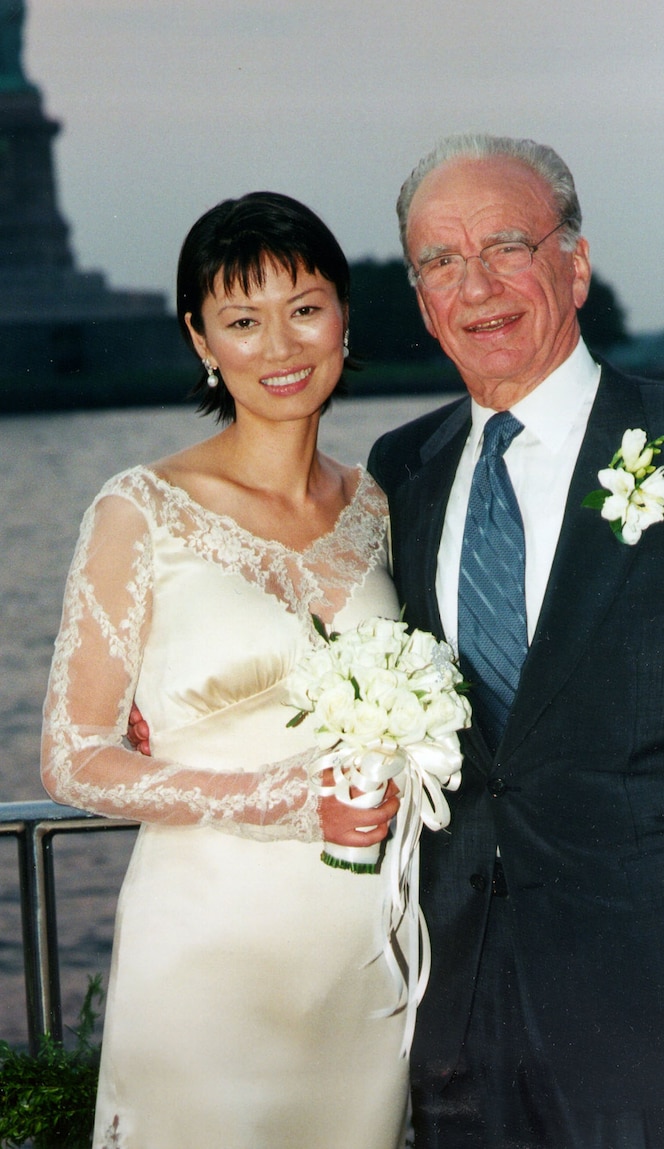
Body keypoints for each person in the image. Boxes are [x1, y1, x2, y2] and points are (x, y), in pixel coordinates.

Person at [366, 134, 664, 1149]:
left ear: (573, 266)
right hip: (458, 1014)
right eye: (440, 263)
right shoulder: (400, 468)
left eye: (505, 246)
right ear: (419, 300)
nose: (476, 285)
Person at [41, 192, 409, 1149]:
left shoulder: (378, 506)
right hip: (209, 958)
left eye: (306, 307)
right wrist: (283, 797)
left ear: (342, 319)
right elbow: (74, 757)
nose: (280, 346)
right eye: (243, 320)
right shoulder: (140, 511)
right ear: (202, 340)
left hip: (367, 961)